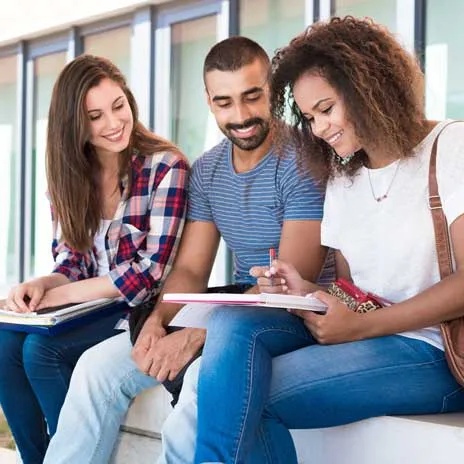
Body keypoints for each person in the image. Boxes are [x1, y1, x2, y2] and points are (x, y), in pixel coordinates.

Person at [158, 16, 464, 464]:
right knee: (230, 322)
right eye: (307, 116)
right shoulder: (344, 171)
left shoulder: (450, 146)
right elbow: (352, 292)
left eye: (326, 109)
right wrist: (306, 292)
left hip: (434, 351)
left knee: (245, 396)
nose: (318, 128)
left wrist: (362, 326)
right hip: (368, 336)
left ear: (368, 88)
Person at [43, 36, 334, 463]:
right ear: (209, 101)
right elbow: (192, 269)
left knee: (198, 389)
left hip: (295, 315)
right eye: (224, 102)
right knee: (94, 368)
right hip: (237, 307)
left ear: (273, 89)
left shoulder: (302, 160)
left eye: (252, 97)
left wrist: (199, 335)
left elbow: (288, 285)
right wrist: (158, 322)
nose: (240, 116)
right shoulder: (208, 169)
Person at [0, 54, 188, 464]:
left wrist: (63, 295)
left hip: (140, 309)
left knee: (40, 353)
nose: (113, 123)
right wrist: (43, 286)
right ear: (75, 125)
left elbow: (149, 274)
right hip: (88, 306)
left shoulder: (165, 167)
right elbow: (71, 261)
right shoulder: (69, 176)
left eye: (118, 106)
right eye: (95, 116)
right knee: (3, 345)